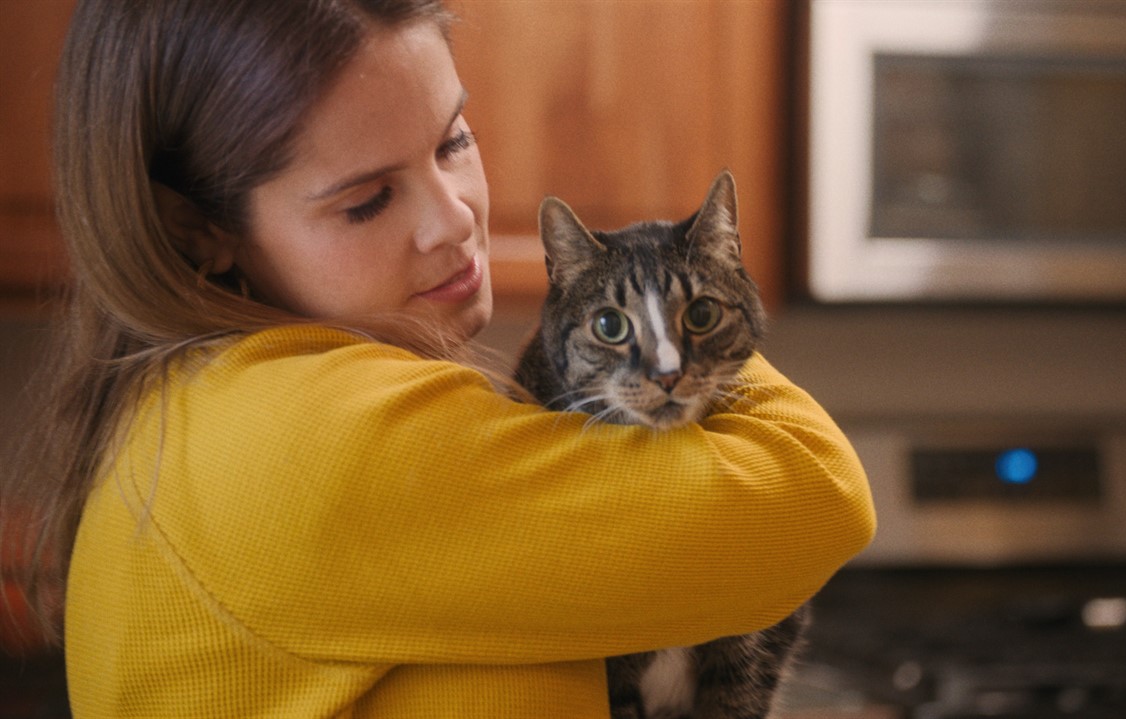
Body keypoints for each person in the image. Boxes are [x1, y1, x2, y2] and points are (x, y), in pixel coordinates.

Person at [1, 0, 876, 716]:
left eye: (453, 141)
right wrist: (694, 302)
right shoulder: (325, 436)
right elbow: (816, 494)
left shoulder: (193, 399)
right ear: (204, 229)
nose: (456, 217)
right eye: (370, 198)